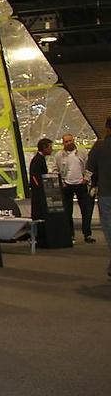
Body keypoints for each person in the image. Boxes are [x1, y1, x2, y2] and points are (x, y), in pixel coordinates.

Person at [54, 134, 95, 242]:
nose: (69, 143)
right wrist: (61, 182)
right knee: (67, 212)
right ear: (63, 143)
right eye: (66, 141)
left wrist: (86, 179)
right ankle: (70, 235)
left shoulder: (82, 152)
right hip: (67, 185)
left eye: (70, 140)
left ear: (74, 140)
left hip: (81, 184)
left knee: (86, 210)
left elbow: (89, 166)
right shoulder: (59, 155)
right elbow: (55, 170)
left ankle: (87, 234)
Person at [86, 117, 111, 278]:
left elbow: (90, 170)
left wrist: (91, 185)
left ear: (107, 128)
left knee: (109, 229)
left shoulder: (100, 146)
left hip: (106, 194)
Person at [29, 138, 54, 220]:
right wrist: (40, 187)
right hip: (38, 193)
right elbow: (34, 176)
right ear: (44, 147)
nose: (52, 149)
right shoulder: (38, 160)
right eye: (50, 147)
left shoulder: (40, 158)